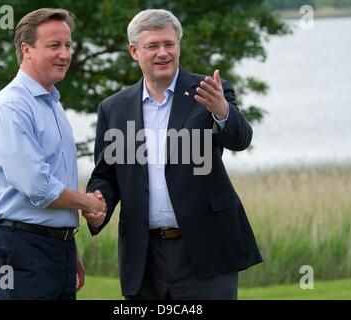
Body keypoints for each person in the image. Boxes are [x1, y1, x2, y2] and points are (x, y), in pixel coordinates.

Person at [84, 9, 262, 300]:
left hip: (207, 250)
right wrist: (98, 201)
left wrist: (222, 111)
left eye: (169, 44)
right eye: (152, 46)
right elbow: (107, 174)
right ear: (134, 51)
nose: (162, 53)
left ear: (179, 46)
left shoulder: (208, 90)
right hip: (143, 256)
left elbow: (240, 139)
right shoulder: (113, 108)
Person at [0, 8, 106, 300]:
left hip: (54, 248)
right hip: (18, 250)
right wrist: (88, 202)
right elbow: (38, 186)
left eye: (68, 45)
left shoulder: (52, 104)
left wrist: (67, 244)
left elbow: (53, 184)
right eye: (54, 46)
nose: (65, 54)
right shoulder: (12, 105)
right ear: (26, 50)